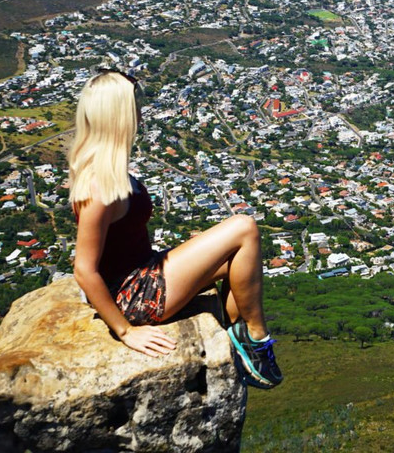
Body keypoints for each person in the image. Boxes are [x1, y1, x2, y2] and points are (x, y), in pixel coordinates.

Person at [69, 69, 282, 389]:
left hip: (143, 272)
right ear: (119, 115)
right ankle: (256, 337)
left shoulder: (105, 166)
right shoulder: (98, 187)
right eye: (134, 105)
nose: (140, 111)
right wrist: (125, 331)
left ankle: (238, 334)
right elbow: (83, 269)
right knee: (244, 228)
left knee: (236, 257)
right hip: (133, 295)